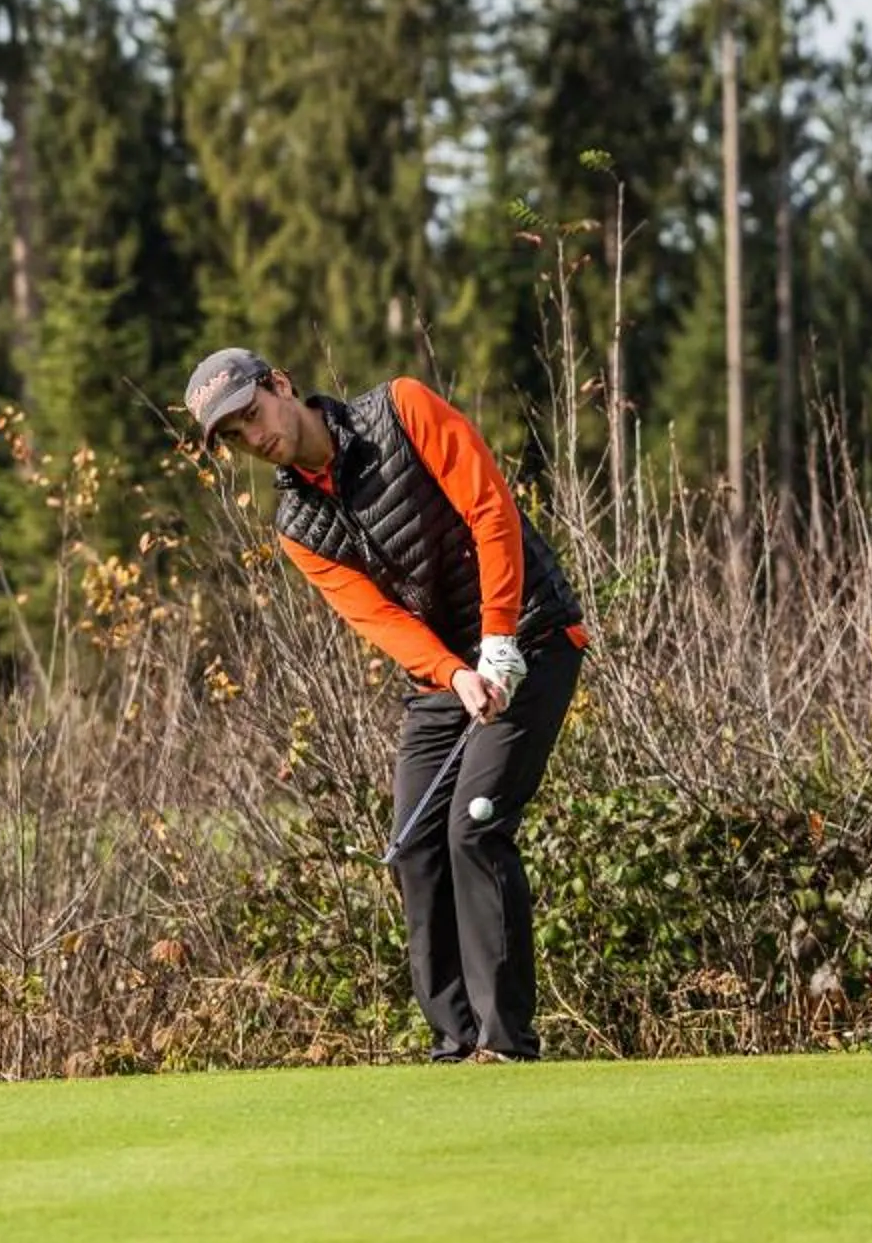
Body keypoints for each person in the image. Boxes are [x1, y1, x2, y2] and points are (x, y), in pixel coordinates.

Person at [186, 348, 587, 1064]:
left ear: (281, 386)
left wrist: (498, 639)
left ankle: (504, 1045)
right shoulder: (297, 525)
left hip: (531, 632)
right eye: (239, 437)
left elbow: (490, 510)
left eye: (253, 415)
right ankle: (455, 1044)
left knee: (475, 827)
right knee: (412, 847)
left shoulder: (401, 410)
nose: (257, 438)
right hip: (447, 675)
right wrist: (453, 673)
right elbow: (377, 618)